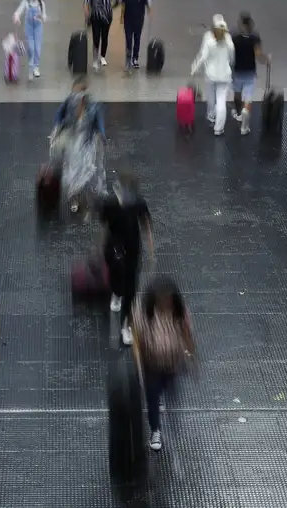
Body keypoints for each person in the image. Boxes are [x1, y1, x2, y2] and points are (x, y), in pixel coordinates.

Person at [131, 277, 195, 451]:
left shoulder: (180, 313)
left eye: (169, 299)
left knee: (167, 389)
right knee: (152, 397)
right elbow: (138, 339)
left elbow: (187, 334)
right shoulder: (144, 313)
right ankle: (155, 430)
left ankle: (159, 397)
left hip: (172, 362)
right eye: (162, 299)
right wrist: (138, 363)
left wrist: (191, 357)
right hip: (152, 363)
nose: (166, 303)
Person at [100, 171, 154, 346]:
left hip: (132, 248)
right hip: (114, 246)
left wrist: (150, 247)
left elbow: (145, 222)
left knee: (131, 289)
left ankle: (125, 326)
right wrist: (99, 247)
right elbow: (104, 225)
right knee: (117, 278)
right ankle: (116, 292)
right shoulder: (109, 203)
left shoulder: (138, 203)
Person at [52, 78, 107, 214]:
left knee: (86, 170)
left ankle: (86, 195)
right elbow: (59, 117)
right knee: (72, 173)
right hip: (72, 142)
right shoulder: (68, 103)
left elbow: (98, 121)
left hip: (86, 142)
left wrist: (101, 134)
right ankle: (74, 198)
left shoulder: (93, 106)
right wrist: (57, 130)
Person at [190, 14, 235, 136]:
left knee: (211, 96)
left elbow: (202, 57)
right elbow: (231, 58)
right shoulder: (229, 41)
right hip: (224, 75)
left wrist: (194, 69)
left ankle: (211, 114)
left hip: (211, 74)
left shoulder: (209, 41)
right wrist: (230, 66)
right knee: (221, 101)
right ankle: (218, 128)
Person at [231, 12, 268, 135]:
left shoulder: (235, 37)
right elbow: (258, 55)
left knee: (237, 93)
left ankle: (239, 114)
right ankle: (245, 122)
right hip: (250, 71)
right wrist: (266, 60)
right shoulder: (254, 38)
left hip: (237, 70)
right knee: (248, 96)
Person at [84, 0, 118, 68]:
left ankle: (102, 56)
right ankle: (95, 58)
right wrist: (86, 14)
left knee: (104, 37)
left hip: (107, 17)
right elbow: (86, 1)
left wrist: (111, 7)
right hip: (95, 16)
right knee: (96, 37)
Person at [14, 0, 48, 79]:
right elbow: (18, 11)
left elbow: (45, 16)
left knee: (37, 48)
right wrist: (17, 18)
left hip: (38, 28)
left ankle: (36, 67)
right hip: (28, 27)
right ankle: (30, 66)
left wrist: (41, 17)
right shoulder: (26, 2)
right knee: (31, 47)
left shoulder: (41, 3)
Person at [119, 0, 151, 70]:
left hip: (139, 19)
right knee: (129, 39)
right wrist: (121, 17)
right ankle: (128, 59)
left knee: (137, 39)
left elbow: (148, 4)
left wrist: (150, 14)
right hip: (128, 19)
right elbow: (122, 3)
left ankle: (135, 59)